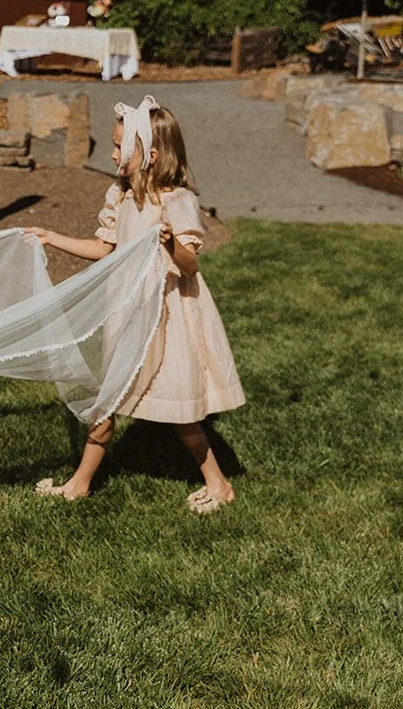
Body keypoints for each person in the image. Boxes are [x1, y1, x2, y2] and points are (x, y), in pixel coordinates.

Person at [23, 96, 245, 514]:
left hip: (168, 313)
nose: (110, 154)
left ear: (150, 154)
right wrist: (53, 238)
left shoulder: (175, 201)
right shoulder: (120, 196)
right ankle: (80, 484)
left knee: (180, 412)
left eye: (119, 146)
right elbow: (104, 247)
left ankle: (219, 484)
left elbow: (190, 266)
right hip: (128, 313)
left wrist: (172, 242)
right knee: (107, 401)